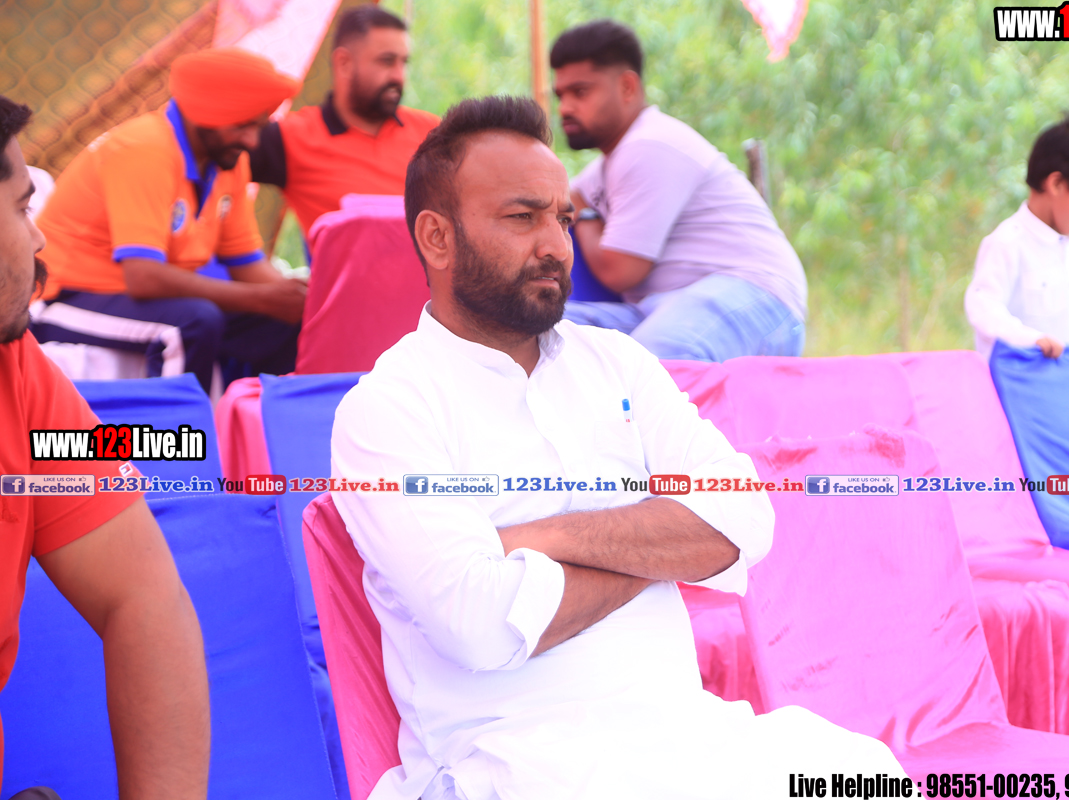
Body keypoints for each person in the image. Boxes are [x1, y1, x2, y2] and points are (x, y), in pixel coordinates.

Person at [330, 96, 903, 800]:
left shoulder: (617, 363)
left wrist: (539, 538)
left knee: (863, 775)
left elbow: (746, 516)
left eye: (563, 218)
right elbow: (478, 624)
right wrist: (663, 548)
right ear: (437, 238)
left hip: (681, 734)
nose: (556, 245)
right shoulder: (388, 411)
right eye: (523, 218)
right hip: (511, 763)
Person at [1, 95, 209, 798]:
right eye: (22, 208)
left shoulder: (18, 371)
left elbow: (145, 599)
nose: (38, 240)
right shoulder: (143, 151)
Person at [30, 48, 307, 395]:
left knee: (285, 320)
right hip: (65, 298)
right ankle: (180, 431)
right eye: (242, 125)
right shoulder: (144, 148)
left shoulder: (229, 161)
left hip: (135, 297)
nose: (252, 141)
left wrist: (294, 299)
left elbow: (245, 262)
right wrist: (259, 299)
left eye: (258, 127)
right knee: (192, 322)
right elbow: (144, 278)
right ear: (205, 114)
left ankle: (251, 422)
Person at [550, 20, 808, 362]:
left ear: (627, 87)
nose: (565, 108)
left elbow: (620, 272)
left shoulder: (651, 144)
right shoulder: (603, 168)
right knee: (531, 332)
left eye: (580, 92)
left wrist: (584, 216)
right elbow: (563, 200)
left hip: (753, 293)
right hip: (657, 309)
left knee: (658, 359)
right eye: (560, 96)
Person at [249, 5, 440, 240]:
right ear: (344, 63)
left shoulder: (433, 135)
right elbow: (219, 151)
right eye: (387, 61)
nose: (398, 76)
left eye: (404, 63)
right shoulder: (293, 137)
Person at [964, 113, 1069, 360]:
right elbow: (984, 306)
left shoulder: (1067, 244)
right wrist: (1030, 340)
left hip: (1058, 374)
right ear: (1056, 184)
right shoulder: (1007, 243)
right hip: (1016, 374)